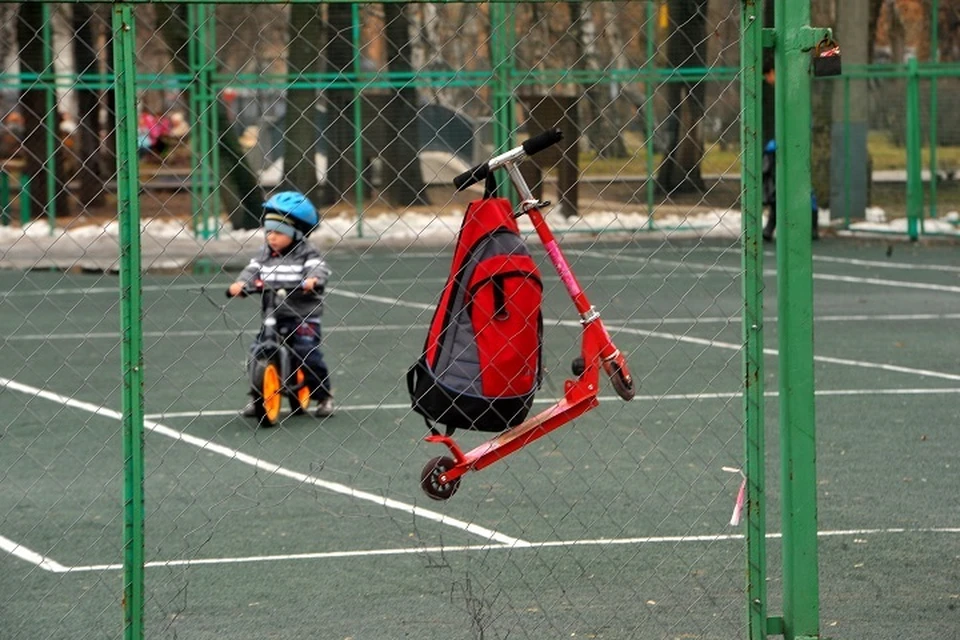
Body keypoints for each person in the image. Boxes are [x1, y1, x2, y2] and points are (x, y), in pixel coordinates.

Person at [228, 191, 335, 417]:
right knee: (257, 351)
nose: (272, 238)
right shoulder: (265, 253)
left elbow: (318, 268)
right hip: (273, 313)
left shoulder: (307, 252)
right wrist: (240, 284)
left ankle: (323, 396)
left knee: (307, 352)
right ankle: (258, 394)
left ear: (296, 233)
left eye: (278, 233)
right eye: (269, 232)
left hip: (302, 314)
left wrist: (312, 280)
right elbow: (252, 269)